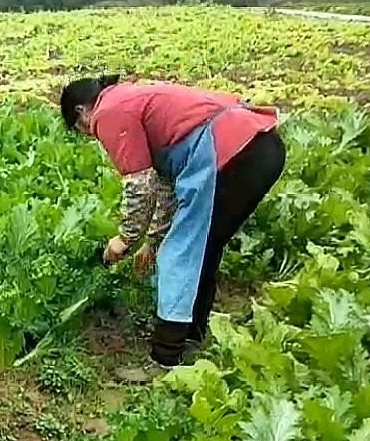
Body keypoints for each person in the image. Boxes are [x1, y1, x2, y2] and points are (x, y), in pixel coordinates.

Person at [59, 75, 286, 367]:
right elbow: (166, 186)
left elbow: (140, 187)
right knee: (204, 246)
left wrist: (124, 240)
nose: (91, 135)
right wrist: (151, 242)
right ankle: (191, 335)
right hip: (259, 147)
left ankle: (165, 356)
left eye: (82, 130)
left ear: (81, 111)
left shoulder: (108, 111)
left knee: (180, 253)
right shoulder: (132, 97)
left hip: (233, 154)